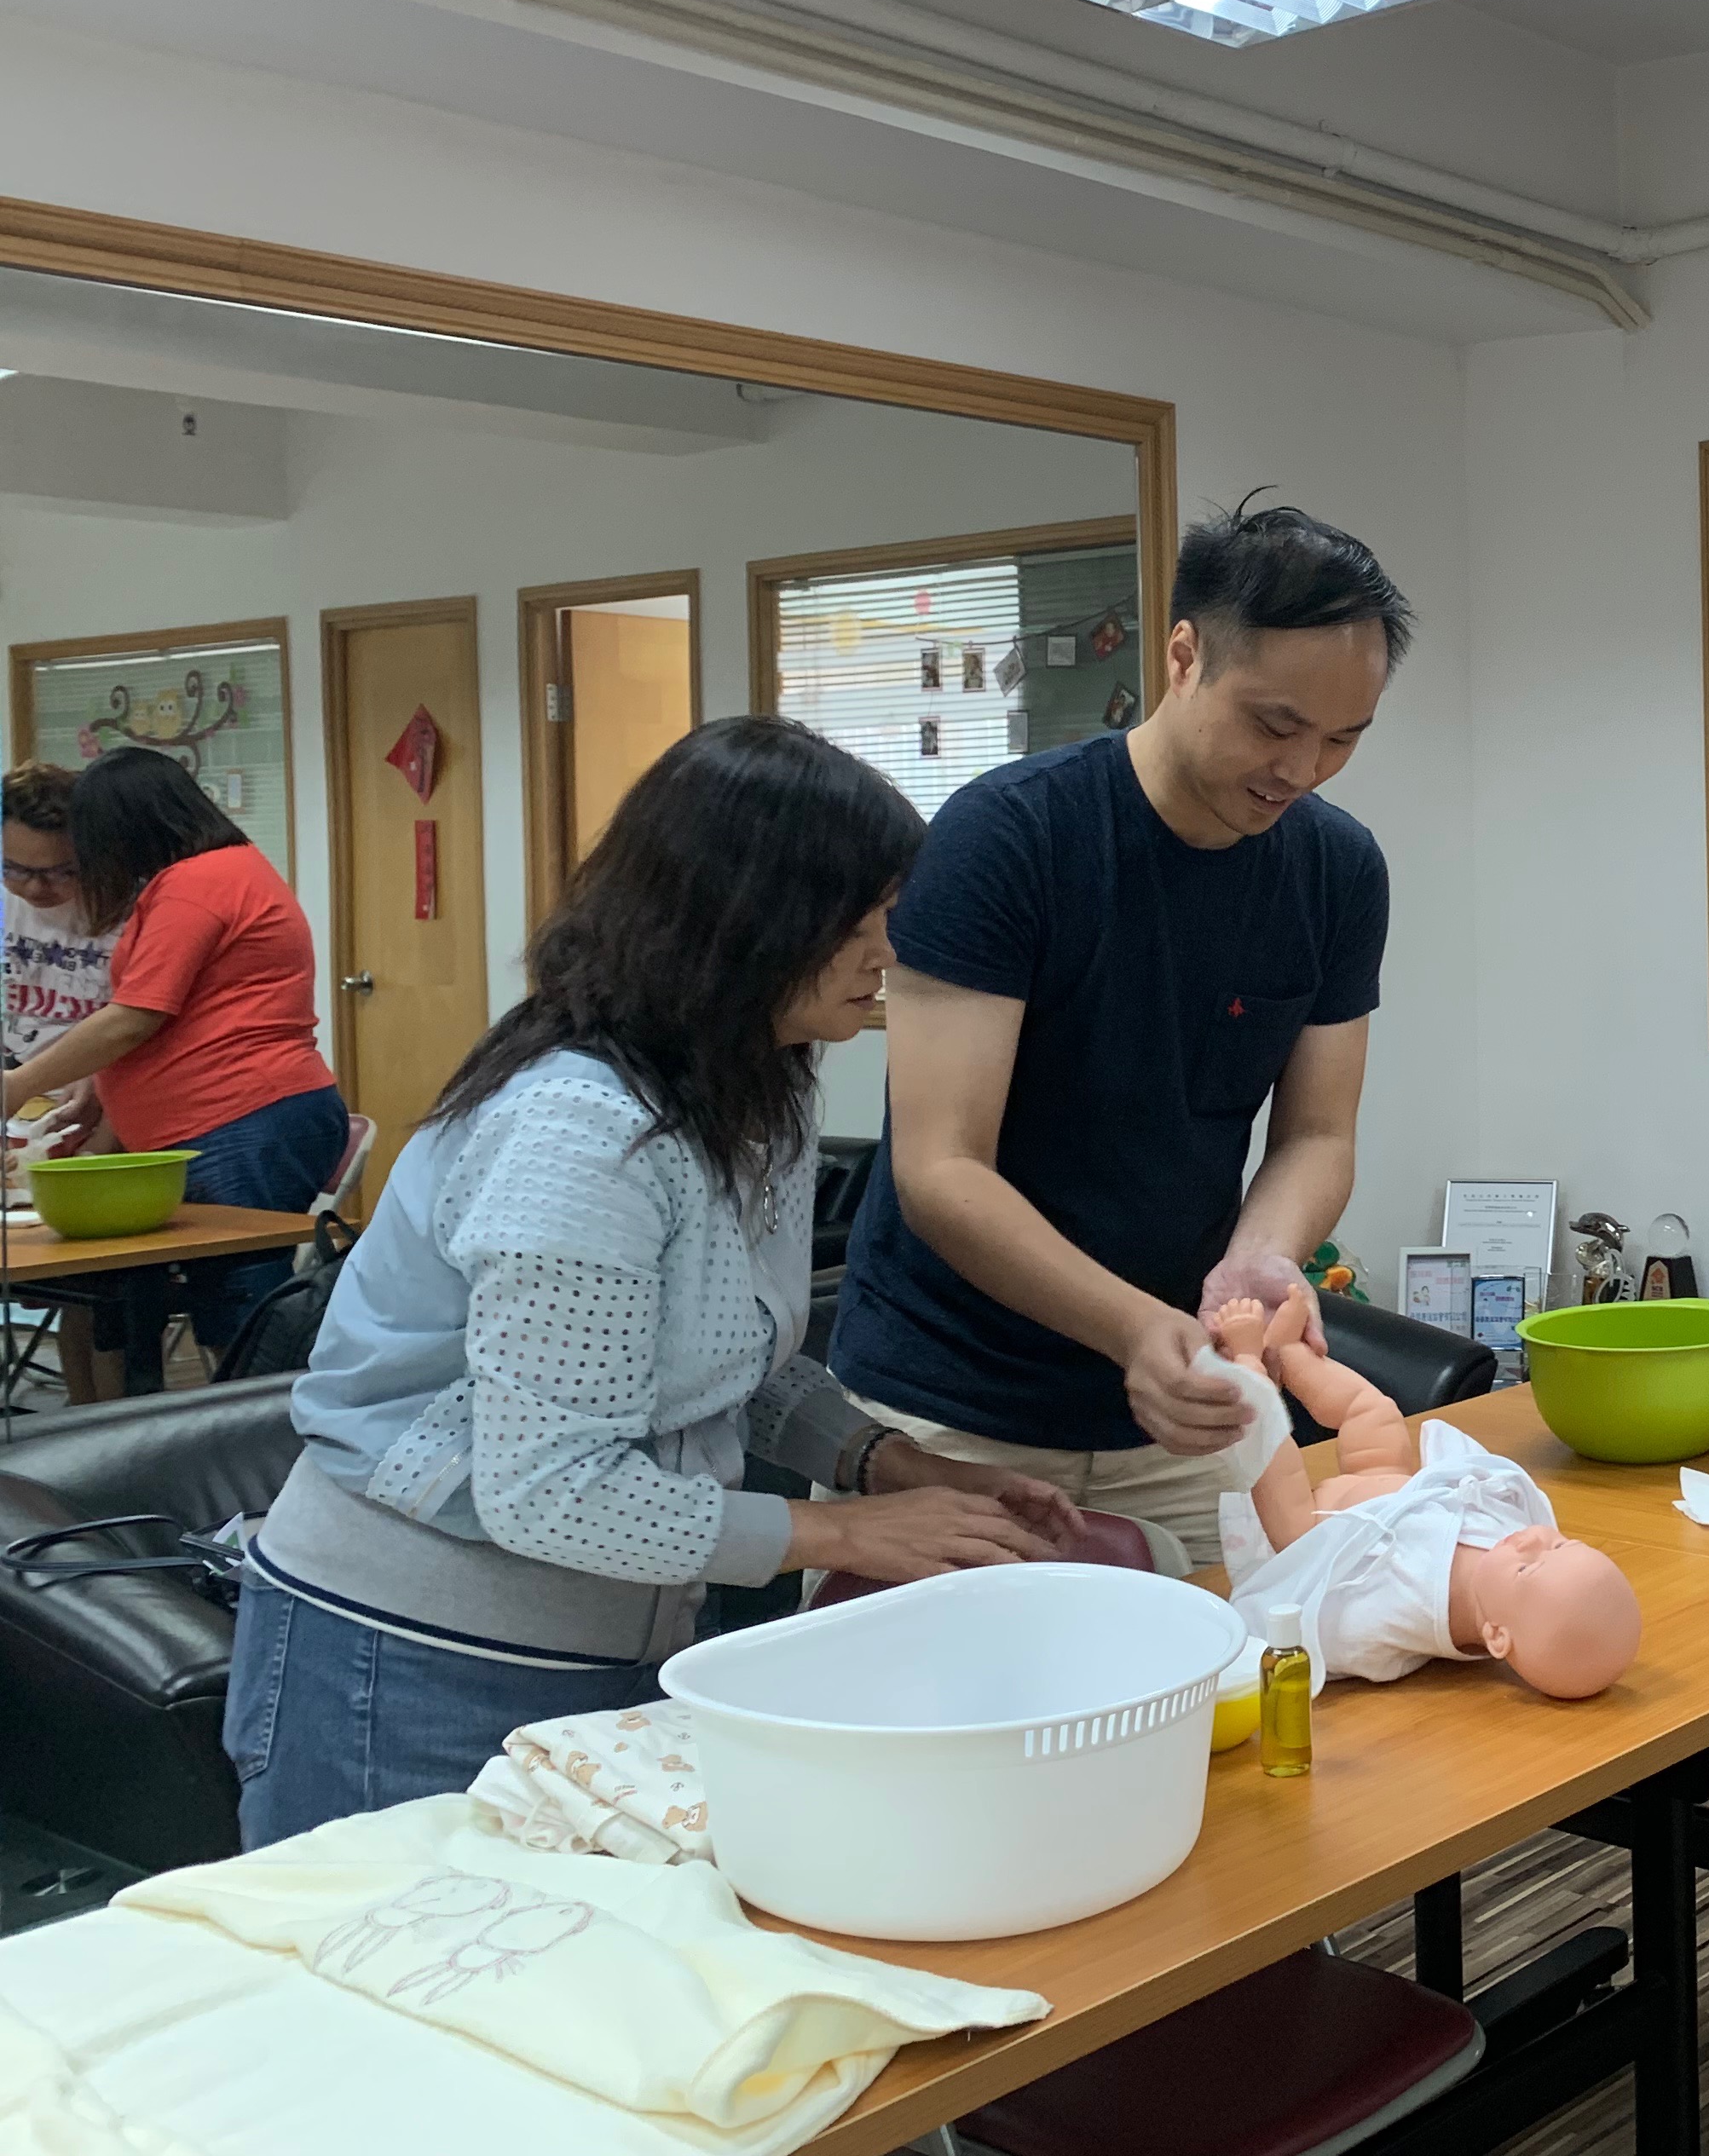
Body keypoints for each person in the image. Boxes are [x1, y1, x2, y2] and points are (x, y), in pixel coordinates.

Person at [232, 718, 1075, 1847]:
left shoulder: (756, 1086)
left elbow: (722, 1351)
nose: (891, 948)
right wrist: (849, 1535)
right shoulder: (578, 1133)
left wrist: (887, 1461)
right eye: (862, 917)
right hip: (408, 1658)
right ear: (748, 918)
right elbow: (552, 1490)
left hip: (617, 1639)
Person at [829, 499, 1409, 1565]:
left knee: (1243, 1659)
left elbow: (1319, 1133)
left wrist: (1260, 1262)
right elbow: (942, 1167)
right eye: (1275, 725)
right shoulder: (1009, 838)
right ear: (1184, 657)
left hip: (1187, 1407)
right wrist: (1133, 1327)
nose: (1301, 770)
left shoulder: (1337, 870)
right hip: (954, 1409)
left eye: (1342, 740)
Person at [0, 748, 346, 1382]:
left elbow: (136, 1015)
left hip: (241, 1116)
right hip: (227, 1121)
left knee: (243, 1313)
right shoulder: (207, 876)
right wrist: (101, 1091)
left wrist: (17, 1085)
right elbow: (165, 1013)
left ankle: (259, 1434)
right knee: (212, 1304)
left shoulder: (198, 884)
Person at [3, 760, 110, 1166]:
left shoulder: (127, 907)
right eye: (14, 869)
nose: (35, 888)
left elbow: (144, 1025)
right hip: (21, 1098)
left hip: (115, 1097)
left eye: (60, 873)